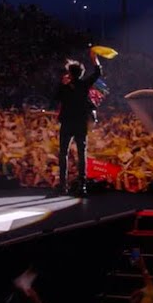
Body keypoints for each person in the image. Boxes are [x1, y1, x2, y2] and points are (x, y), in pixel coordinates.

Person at [55, 52, 102, 196]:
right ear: (81, 73)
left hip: (67, 124)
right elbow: (98, 72)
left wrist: (63, 85)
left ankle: (63, 187)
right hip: (80, 124)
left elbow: (55, 99)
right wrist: (95, 59)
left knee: (64, 154)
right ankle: (82, 187)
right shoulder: (84, 85)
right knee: (82, 154)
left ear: (69, 73)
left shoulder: (64, 87)